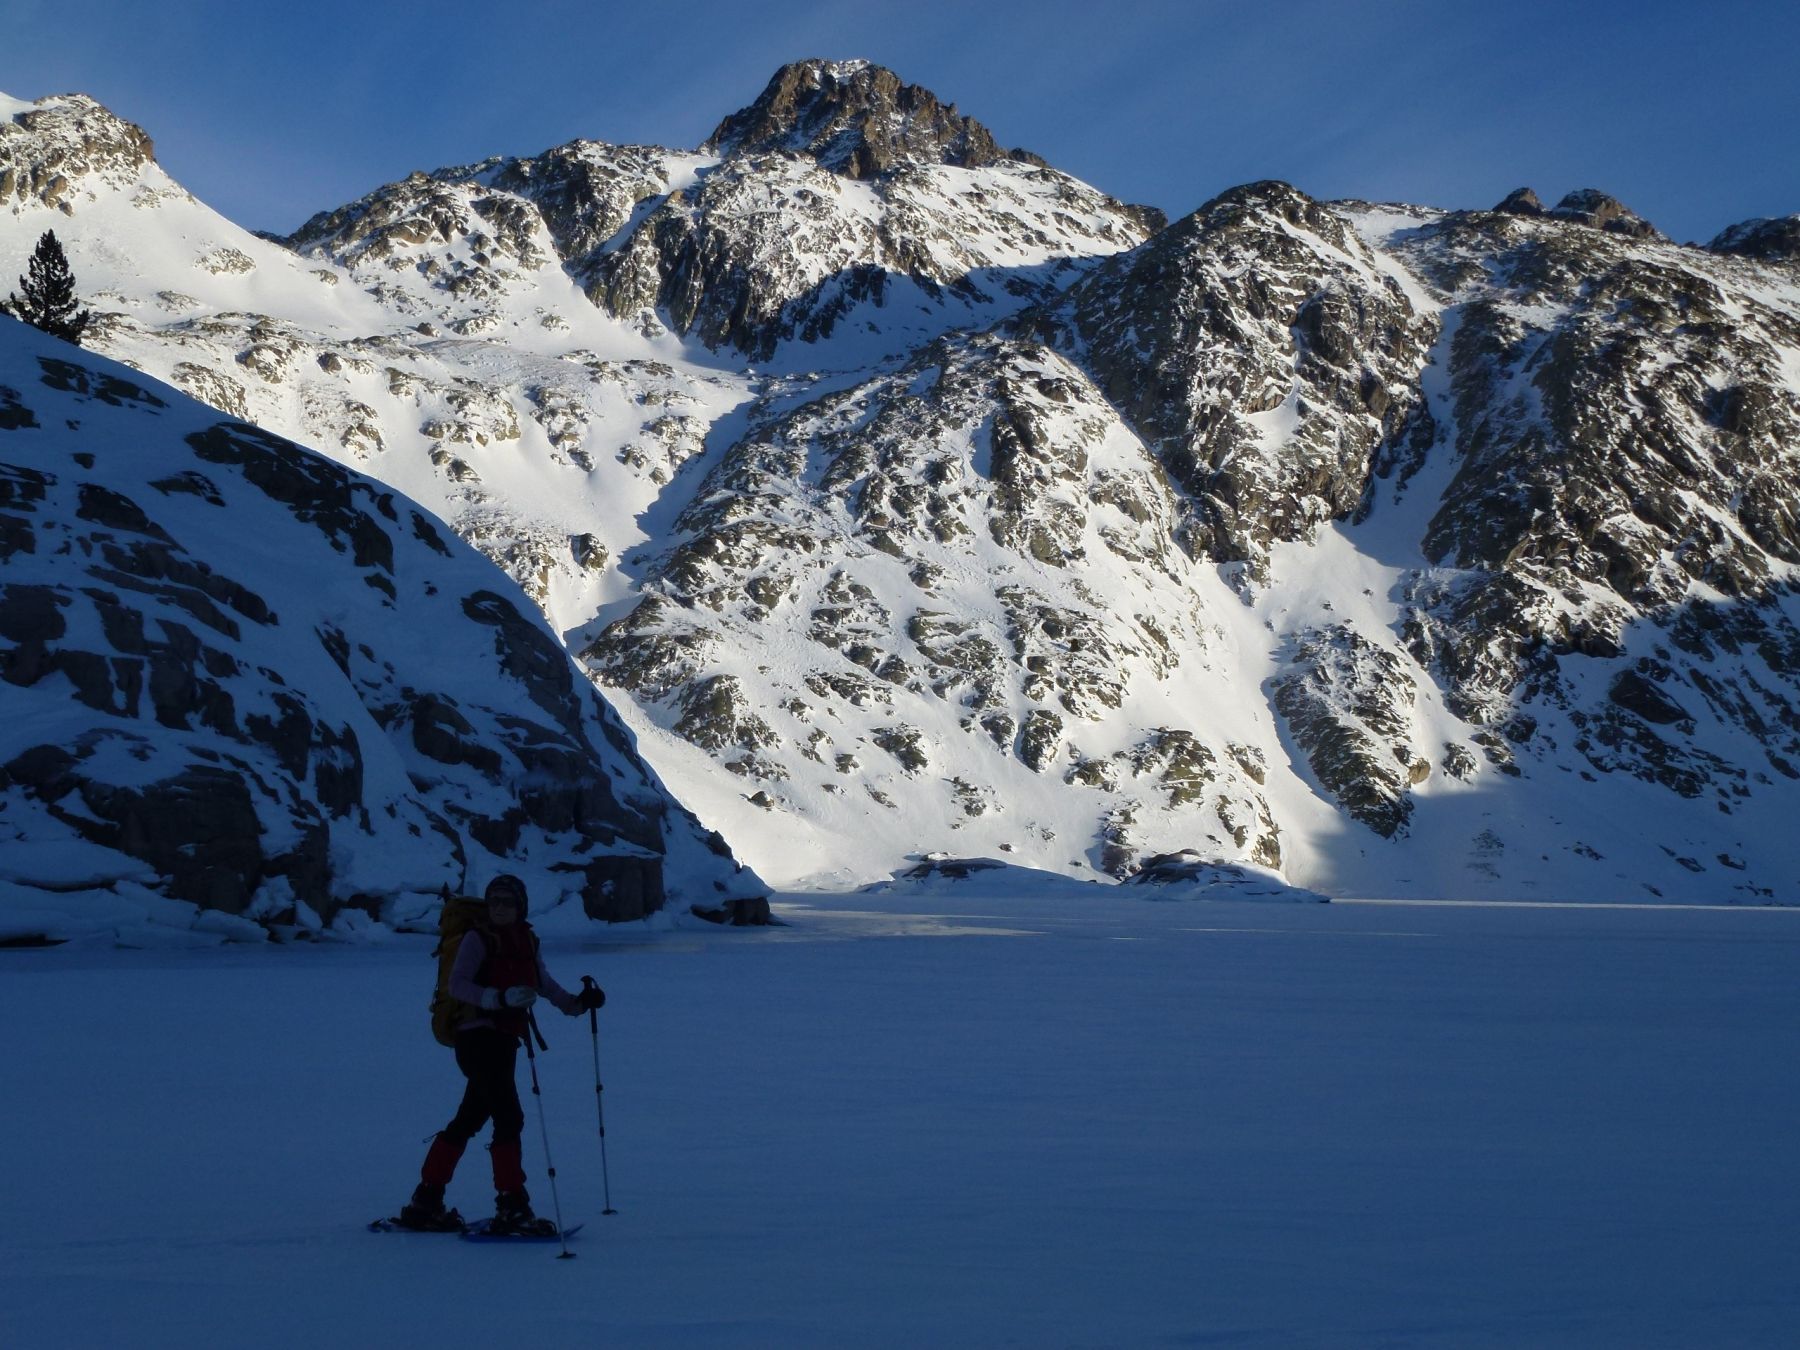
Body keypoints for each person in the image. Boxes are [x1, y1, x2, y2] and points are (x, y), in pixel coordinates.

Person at [399, 873, 605, 1231]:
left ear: (520, 906)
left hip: (504, 1042)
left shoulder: (527, 939)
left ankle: (426, 1201)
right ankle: (512, 1206)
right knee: (508, 1117)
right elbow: (458, 984)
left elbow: (543, 984)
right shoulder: (477, 938)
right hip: (476, 1039)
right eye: (493, 900)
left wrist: (578, 1004)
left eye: (507, 902)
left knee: (470, 1119)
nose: (499, 907)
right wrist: (499, 998)